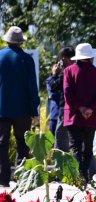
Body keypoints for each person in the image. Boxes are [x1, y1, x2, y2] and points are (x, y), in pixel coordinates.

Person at [0, 26, 40, 187]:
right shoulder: (27, 59)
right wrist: (34, 108)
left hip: (2, 108)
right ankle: (23, 179)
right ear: (20, 42)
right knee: (23, 143)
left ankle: (3, 180)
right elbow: (32, 86)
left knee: (2, 143)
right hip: (23, 109)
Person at [63, 43, 96, 183]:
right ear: (91, 57)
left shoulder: (68, 71)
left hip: (73, 116)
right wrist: (90, 109)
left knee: (75, 147)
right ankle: (85, 176)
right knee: (88, 148)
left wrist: (80, 108)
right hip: (90, 117)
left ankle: (78, 176)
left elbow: (67, 93)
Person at [46, 47, 75, 152]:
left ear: (65, 59)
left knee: (61, 143)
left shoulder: (67, 73)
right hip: (78, 111)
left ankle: (62, 167)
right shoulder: (79, 70)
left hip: (64, 111)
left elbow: (53, 87)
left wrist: (54, 74)